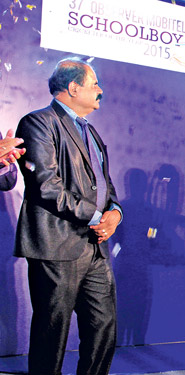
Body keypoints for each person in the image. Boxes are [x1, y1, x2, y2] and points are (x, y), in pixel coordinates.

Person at [15, 57, 122, 375]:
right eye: (94, 84)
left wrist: (114, 213)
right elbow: (46, 186)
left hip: (95, 248)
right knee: (53, 333)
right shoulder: (39, 123)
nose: (100, 91)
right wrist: (95, 216)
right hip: (56, 245)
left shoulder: (92, 133)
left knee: (104, 328)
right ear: (73, 87)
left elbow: (106, 187)